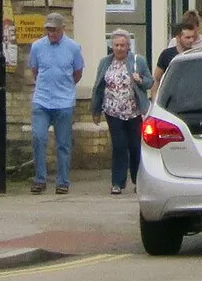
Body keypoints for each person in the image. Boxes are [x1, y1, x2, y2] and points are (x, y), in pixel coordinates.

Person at [27, 12, 84, 195]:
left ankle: (63, 181)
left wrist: (65, 88)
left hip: (64, 101)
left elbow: (77, 73)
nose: (51, 33)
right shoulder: (37, 47)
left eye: (54, 30)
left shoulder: (73, 48)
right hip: (42, 99)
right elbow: (35, 71)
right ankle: (40, 179)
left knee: (63, 143)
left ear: (62, 29)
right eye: (48, 29)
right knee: (38, 137)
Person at [91, 29, 151, 195]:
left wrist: (140, 79)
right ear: (111, 46)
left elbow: (149, 81)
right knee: (119, 146)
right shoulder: (105, 62)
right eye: (116, 45)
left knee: (134, 146)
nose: (119, 48)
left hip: (133, 111)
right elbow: (98, 86)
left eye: (122, 45)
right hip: (112, 111)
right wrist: (95, 110)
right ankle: (117, 182)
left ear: (128, 46)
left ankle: (138, 180)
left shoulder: (138, 61)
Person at [153, 12, 202, 95]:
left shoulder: (196, 55)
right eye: (187, 37)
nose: (191, 40)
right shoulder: (166, 55)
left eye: (193, 37)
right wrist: (154, 100)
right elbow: (156, 79)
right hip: (171, 99)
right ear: (178, 38)